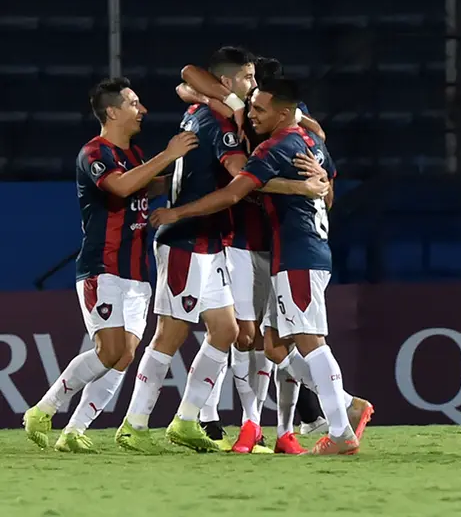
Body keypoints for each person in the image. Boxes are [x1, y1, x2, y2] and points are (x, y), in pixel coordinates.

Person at [115, 48, 322, 453]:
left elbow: (187, 80)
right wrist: (301, 187)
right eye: (247, 77)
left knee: (227, 332)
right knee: (169, 335)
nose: (253, 84)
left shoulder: (206, 110)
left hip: (209, 244)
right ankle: (134, 424)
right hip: (187, 241)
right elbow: (241, 179)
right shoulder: (220, 120)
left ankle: (186, 419)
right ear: (228, 82)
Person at [151, 78, 363, 455]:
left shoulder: (275, 147)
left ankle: (341, 428)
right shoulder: (312, 142)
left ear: (284, 112)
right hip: (301, 252)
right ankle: (332, 410)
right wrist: (308, 184)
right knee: (274, 346)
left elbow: (234, 191)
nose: (251, 114)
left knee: (311, 342)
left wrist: (177, 212)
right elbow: (326, 194)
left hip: (298, 255)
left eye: (259, 108)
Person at [22, 78, 197, 451]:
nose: (142, 110)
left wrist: (185, 175)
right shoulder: (93, 152)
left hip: (137, 273)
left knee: (124, 355)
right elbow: (118, 187)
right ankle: (43, 409)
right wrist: (168, 155)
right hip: (102, 269)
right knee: (109, 350)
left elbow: (143, 185)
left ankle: (74, 432)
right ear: (113, 111)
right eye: (134, 103)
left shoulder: (134, 155)